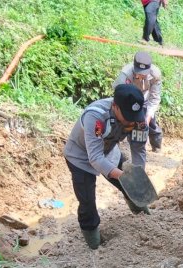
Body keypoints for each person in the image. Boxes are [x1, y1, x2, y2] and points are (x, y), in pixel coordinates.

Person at [64, 84, 150, 250]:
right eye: (127, 116)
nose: (132, 120)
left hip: (109, 150)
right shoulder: (95, 117)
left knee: (131, 185)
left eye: (135, 116)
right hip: (80, 157)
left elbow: (139, 148)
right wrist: (122, 175)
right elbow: (94, 157)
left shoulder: (138, 116)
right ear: (115, 106)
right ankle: (94, 242)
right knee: (87, 202)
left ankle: (145, 218)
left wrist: (137, 175)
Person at [113, 52, 163, 152]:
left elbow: (154, 98)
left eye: (144, 74)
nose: (140, 76)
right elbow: (118, 94)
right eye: (138, 72)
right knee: (120, 121)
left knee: (151, 123)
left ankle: (156, 146)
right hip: (127, 100)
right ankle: (114, 143)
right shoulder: (126, 74)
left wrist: (147, 118)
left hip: (144, 99)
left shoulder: (155, 75)